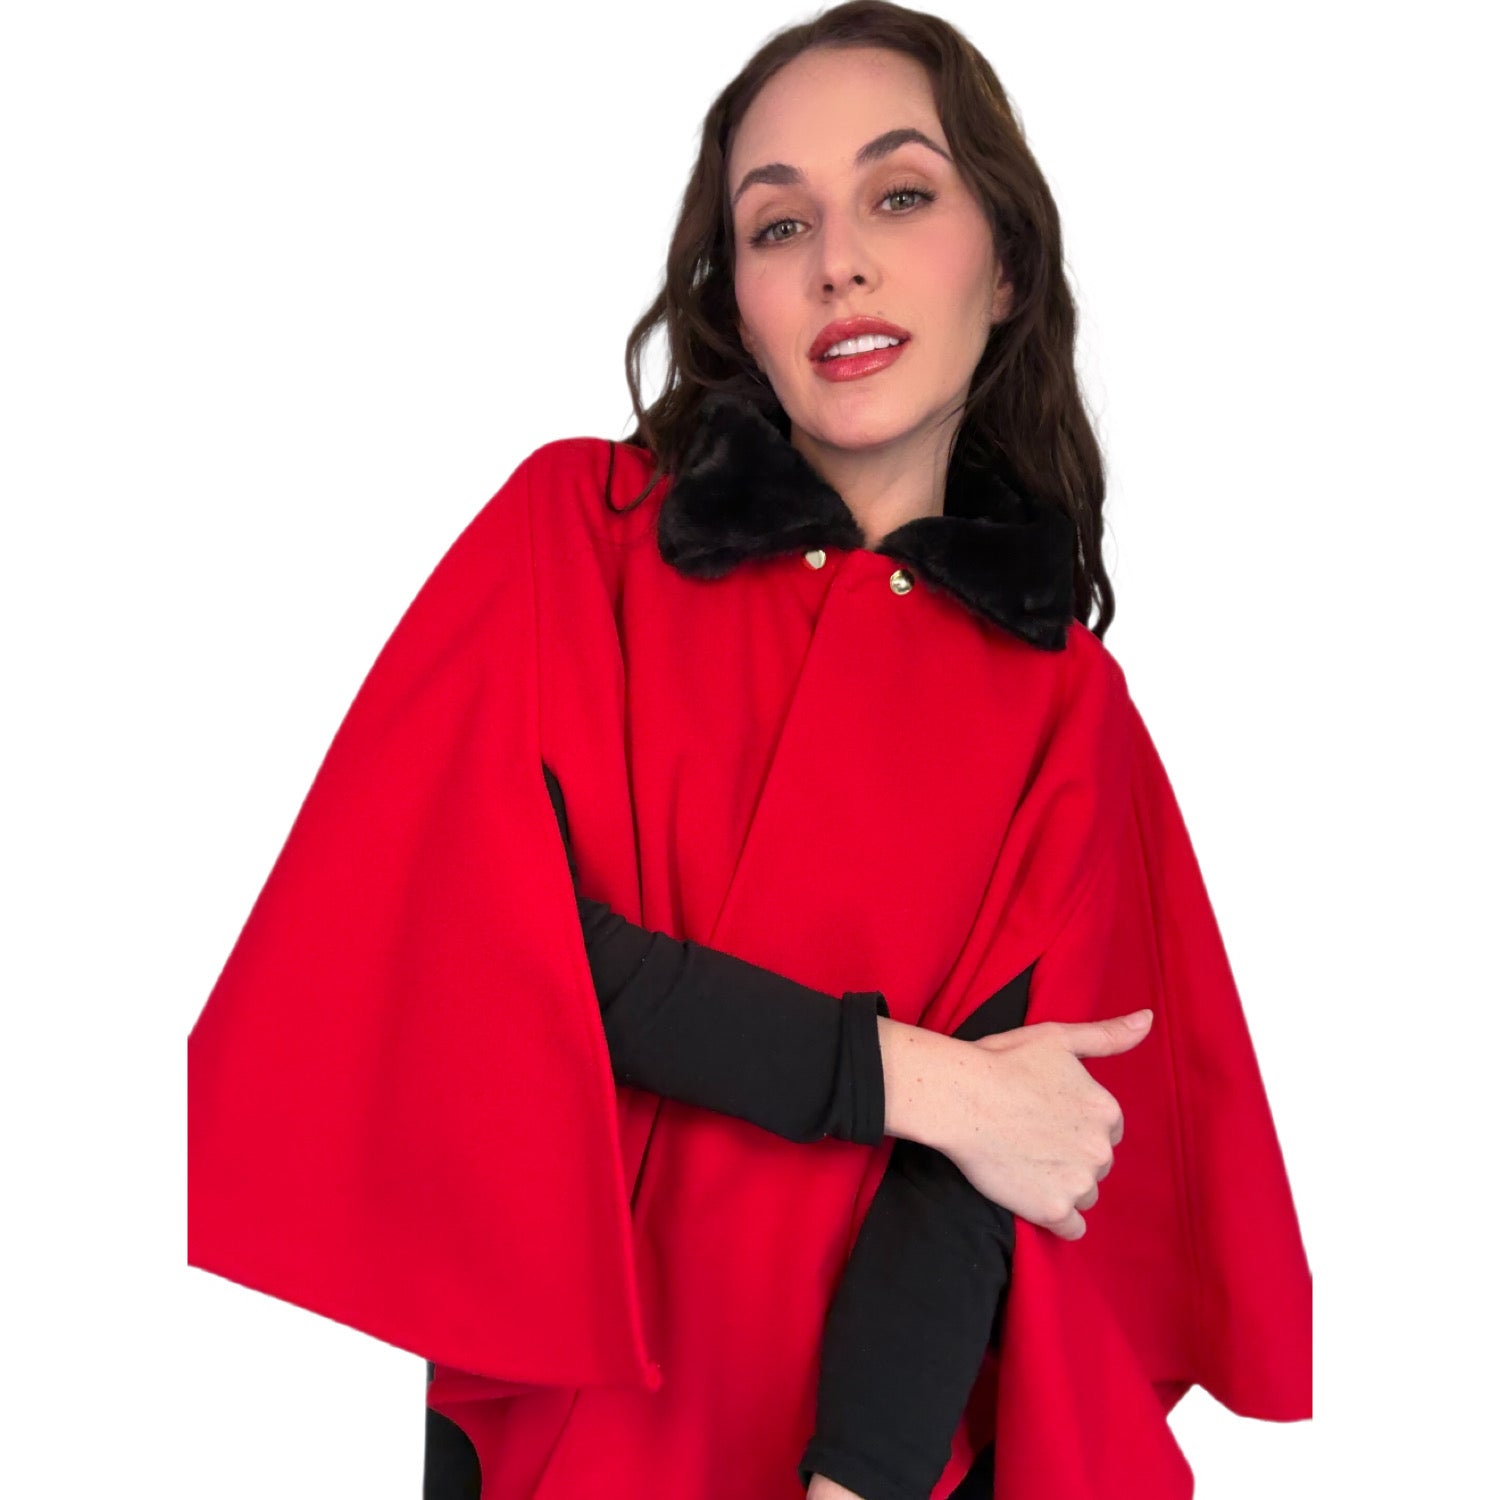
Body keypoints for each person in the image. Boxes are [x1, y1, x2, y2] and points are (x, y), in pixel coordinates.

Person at [187, 4, 1312, 1498]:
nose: (839, 259)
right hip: (575, 1413)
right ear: (741, 301)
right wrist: (905, 1076)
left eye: (900, 196)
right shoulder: (575, 539)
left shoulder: (1067, 705)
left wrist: (856, 1479)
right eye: (781, 225)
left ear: (1005, 269)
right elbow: (468, 943)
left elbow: (1003, 1154)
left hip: (855, 1443)